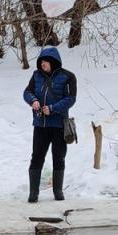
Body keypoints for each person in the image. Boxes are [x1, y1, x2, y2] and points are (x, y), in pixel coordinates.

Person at [22, 47, 77, 202]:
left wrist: (52, 109)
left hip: (59, 126)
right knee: (37, 157)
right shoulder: (36, 76)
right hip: (40, 125)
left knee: (59, 157)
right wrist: (33, 101)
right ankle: (33, 193)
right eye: (41, 62)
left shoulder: (68, 77)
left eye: (45, 62)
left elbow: (71, 99)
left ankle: (58, 191)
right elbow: (26, 92)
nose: (42, 65)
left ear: (53, 62)